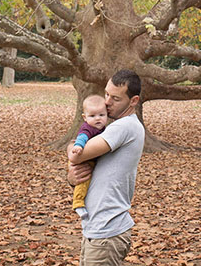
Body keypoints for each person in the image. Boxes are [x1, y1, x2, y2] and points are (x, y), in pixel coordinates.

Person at [67, 69, 145, 266]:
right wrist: (73, 177)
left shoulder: (124, 127)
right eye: (106, 94)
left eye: (116, 98)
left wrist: (70, 148)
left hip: (107, 231)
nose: (107, 102)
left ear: (133, 101)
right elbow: (86, 167)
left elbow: (77, 156)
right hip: (97, 228)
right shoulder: (114, 127)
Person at [70, 95, 110, 211]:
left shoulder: (103, 129)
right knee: (83, 181)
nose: (97, 119)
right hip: (83, 161)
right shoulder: (88, 128)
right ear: (85, 117)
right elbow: (82, 136)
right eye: (92, 116)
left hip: (92, 160)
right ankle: (78, 202)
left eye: (101, 115)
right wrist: (78, 146)